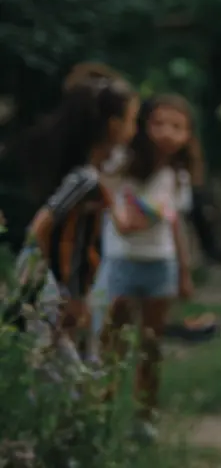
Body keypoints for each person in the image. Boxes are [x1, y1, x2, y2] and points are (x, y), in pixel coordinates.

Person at [10, 75, 140, 356]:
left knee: (71, 365)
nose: (134, 130)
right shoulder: (85, 180)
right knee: (63, 369)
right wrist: (64, 294)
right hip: (54, 290)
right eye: (132, 120)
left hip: (69, 288)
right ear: (114, 127)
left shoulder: (94, 178)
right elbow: (42, 226)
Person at [100, 93, 200, 436]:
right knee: (113, 342)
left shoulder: (177, 175)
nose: (167, 133)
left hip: (161, 264)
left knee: (151, 344)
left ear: (188, 134)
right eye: (159, 123)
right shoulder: (120, 163)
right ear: (142, 125)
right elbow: (114, 209)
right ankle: (102, 410)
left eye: (177, 126)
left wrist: (184, 272)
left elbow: (174, 225)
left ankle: (145, 416)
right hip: (123, 261)